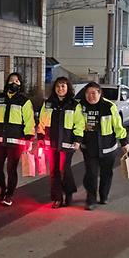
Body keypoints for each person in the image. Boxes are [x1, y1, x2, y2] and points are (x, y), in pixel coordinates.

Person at [0, 73, 35, 206]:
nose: (14, 82)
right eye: (12, 80)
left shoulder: (24, 101)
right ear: (7, 82)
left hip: (16, 141)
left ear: (20, 84)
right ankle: (3, 189)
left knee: (12, 169)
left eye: (17, 80)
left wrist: (29, 137)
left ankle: (9, 195)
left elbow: (29, 120)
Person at [78, 82, 129, 211]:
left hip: (108, 147)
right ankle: (91, 199)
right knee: (91, 174)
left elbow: (118, 126)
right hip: (89, 147)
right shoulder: (80, 106)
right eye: (88, 93)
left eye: (94, 93)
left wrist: (124, 142)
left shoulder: (109, 106)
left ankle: (104, 195)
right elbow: (77, 124)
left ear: (99, 93)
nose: (91, 96)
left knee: (106, 173)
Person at [37, 77, 85, 208]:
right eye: (58, 86)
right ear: (54, 88)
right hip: (50, 143)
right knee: (53, 171)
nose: (60, 89)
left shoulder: (74, 105)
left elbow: (79, 124)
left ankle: (68, 193)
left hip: (67, 144)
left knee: (64, 169)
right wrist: (40, 138)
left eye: (63, 86)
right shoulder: (47, 104)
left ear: (68, 88)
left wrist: (77, 140)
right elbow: (41, 122)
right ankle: (57, 198)